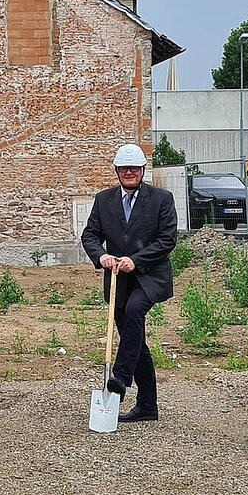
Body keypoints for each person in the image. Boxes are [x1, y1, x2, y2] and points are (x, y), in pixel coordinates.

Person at [79, 143, 177, 422]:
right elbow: (90, 236)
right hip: (119, 278)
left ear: (143, 170)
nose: (129, 172)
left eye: (134, 168)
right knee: (135, 341)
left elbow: (167, 239)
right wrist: (102, 256)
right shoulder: (104, 199)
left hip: (150, 275)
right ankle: (148, 406)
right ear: (117, 171)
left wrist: (136, 259)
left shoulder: (161, 198)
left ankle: (120, 378)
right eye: (124, 168)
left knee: (135, 311)